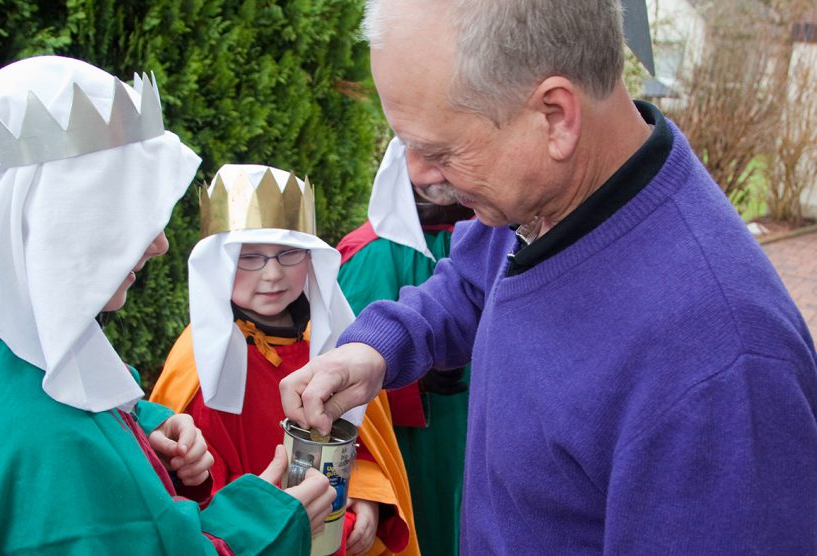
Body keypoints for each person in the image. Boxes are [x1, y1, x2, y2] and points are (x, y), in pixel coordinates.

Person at [279, 1, 817, 554]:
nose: (415, 173)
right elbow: (470, 283)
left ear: (556, 116)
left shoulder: (721, 370)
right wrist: (379, 349)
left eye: (439, 149)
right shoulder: (542, 194)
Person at [0, 55, 335, 555]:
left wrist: (140, 431)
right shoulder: (50, 441)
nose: (159, 244)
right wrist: (271, 520)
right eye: (128, 215)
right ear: (54, 217)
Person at [150, 164, 419, 556]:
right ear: (218, 264)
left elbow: (364, 445)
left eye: (289, 254)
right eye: (250, 257)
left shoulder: (336, 348)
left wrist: (365, 495)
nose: (273, 274)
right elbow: (197, 487)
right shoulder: (203, 361)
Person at [336, 137, 472, 556]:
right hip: (415, 444)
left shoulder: (498, 239)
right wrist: (415, 378)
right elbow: (345, 354)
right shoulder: (370, 253)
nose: (438, 174)